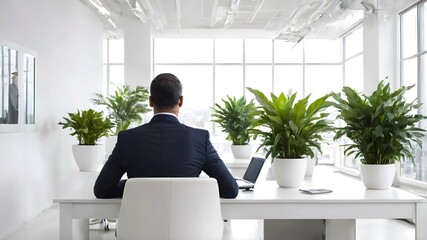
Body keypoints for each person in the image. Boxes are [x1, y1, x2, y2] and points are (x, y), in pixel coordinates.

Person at [94, 73, 239, 199]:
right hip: (188, 230)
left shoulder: (127, 139)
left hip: (139, 229)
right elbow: (230, 190)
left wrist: (134, 186)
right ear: (181, 101)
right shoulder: (200, 138)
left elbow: (102, 189)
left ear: (150, 101)